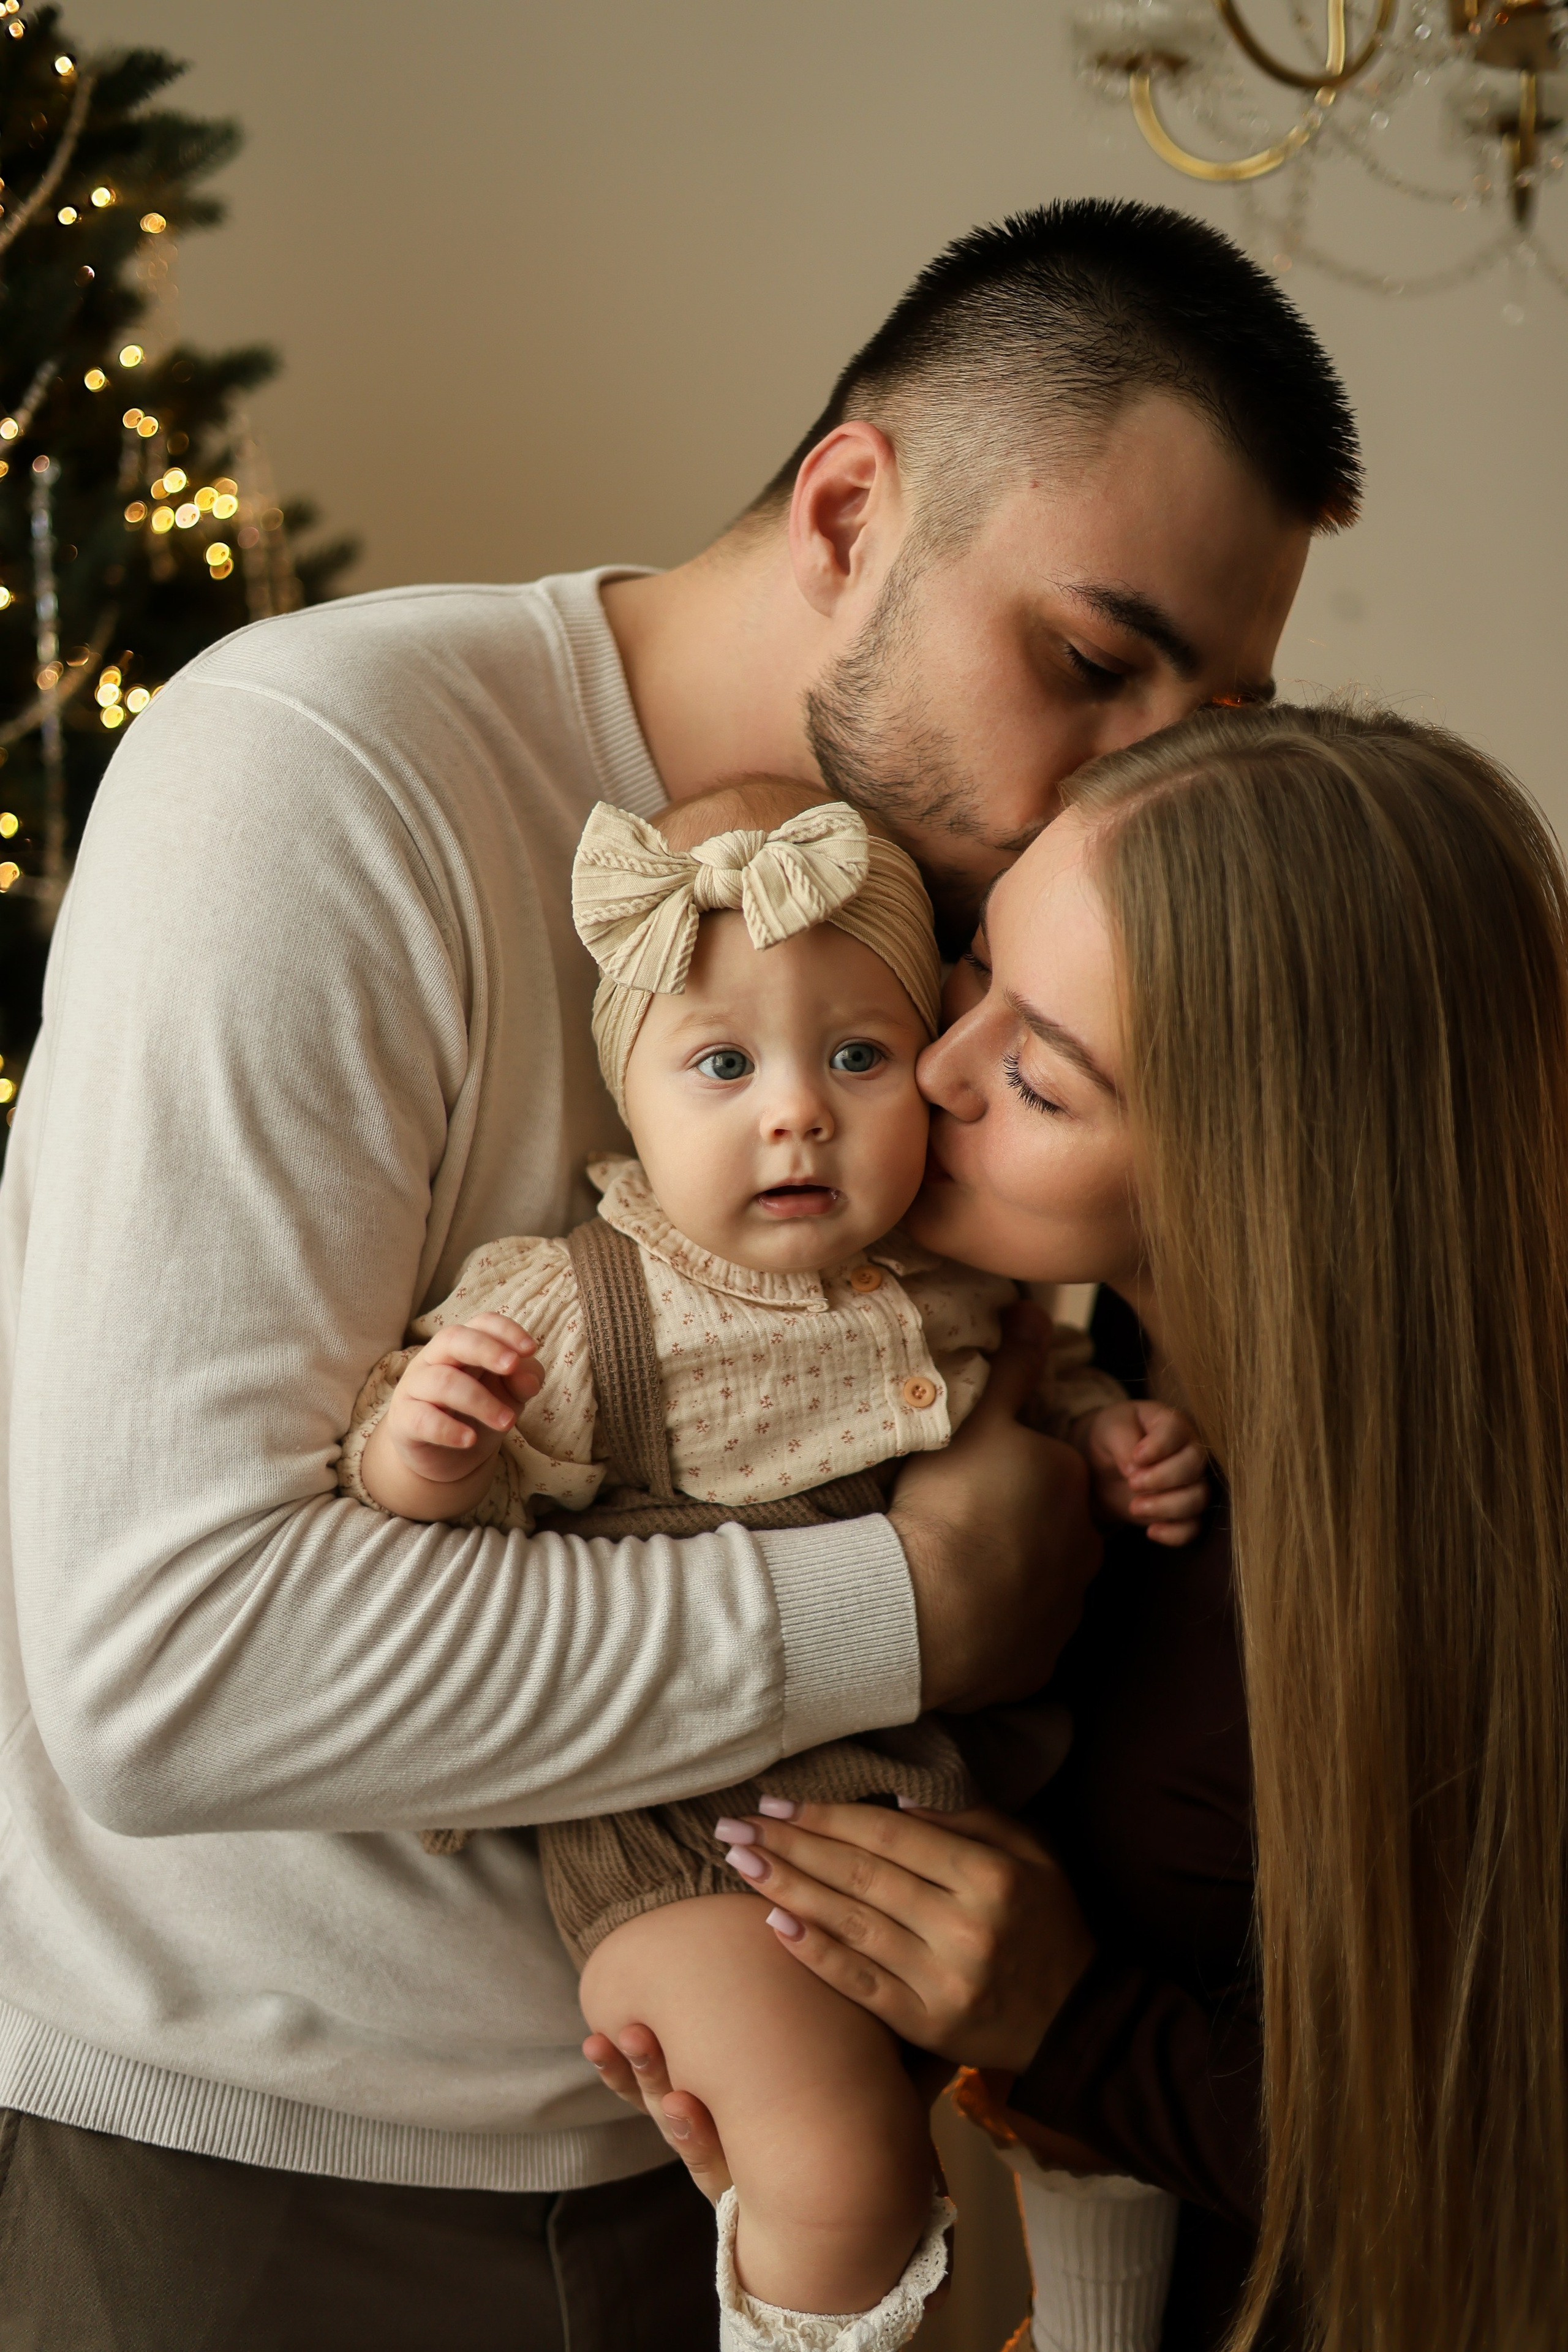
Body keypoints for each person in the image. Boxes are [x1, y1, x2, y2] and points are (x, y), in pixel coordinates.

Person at [0, 201, 1356, 2347]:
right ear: (849, 508)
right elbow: (165, 1666)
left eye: (1208, 713)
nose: (1143, 780)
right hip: (245, 2184)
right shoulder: (325, 781)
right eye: (1095, 666)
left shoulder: (1003, 950)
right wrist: (908, 1606)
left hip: (704, 2187)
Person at [597, 703, 1568, 2352]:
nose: (938, 1064)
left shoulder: (1475, 1565)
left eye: (1036, 1077)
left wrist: (1072, 2023)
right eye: (972, 972)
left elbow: (1505, 2181)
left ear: (1262, 1168)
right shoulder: (1041, 1370)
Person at [342, 777, 1205, 2350]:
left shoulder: (956, 1273)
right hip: (699, 1844)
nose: (795, 1110)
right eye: (723, 1066)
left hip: (932, 1780)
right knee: (840, 2180)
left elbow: (1034, 1390)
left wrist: (1106, 1437)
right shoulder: (578, 1303)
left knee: (1062, 2135)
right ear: (634, 1097)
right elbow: (426, 1536)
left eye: (856, 1058)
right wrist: (427, 1448)